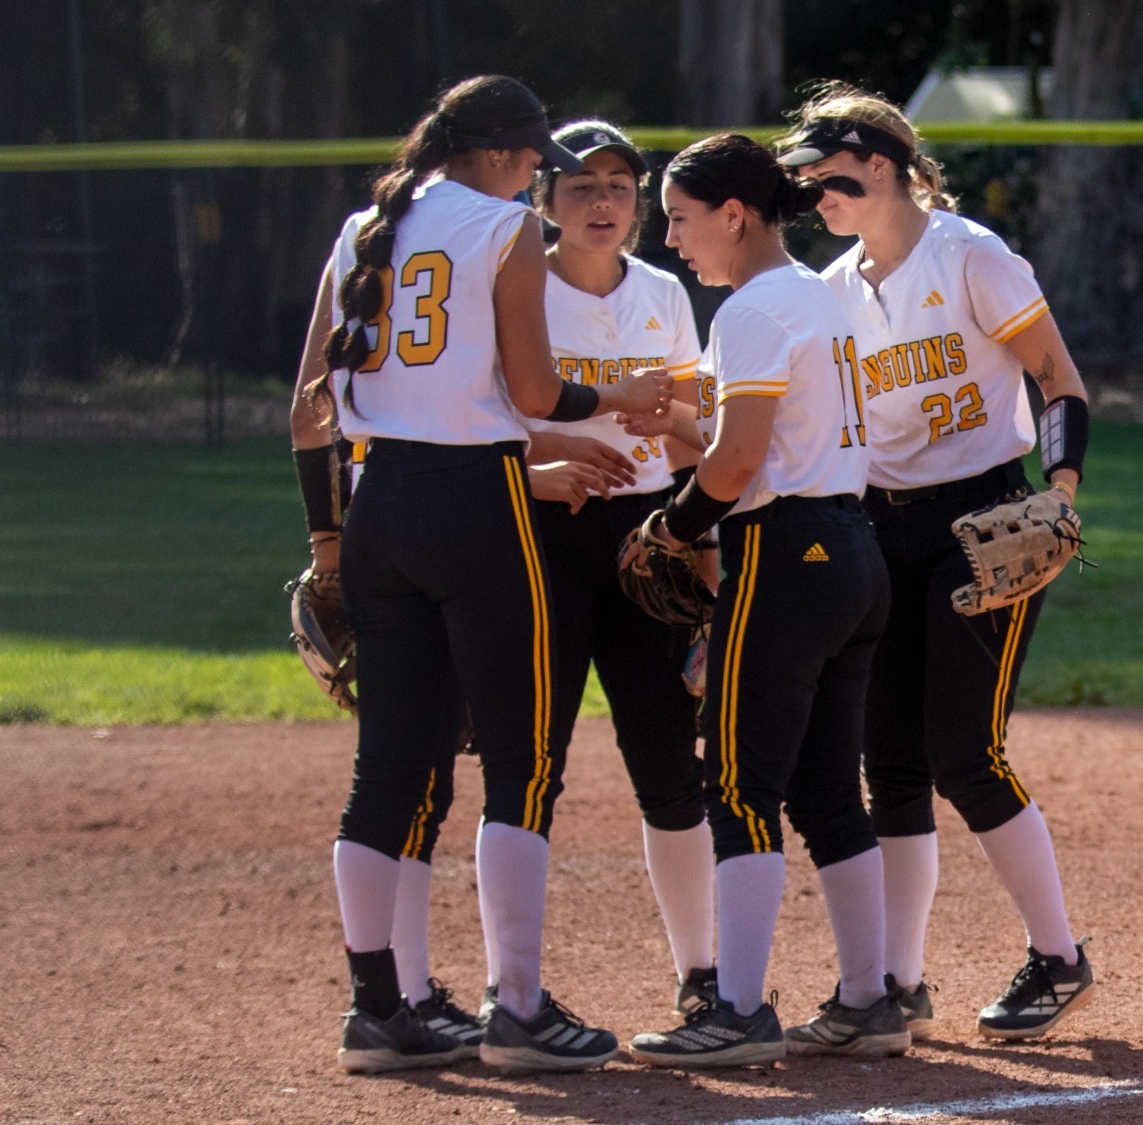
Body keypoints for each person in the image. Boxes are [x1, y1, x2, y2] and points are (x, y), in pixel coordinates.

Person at [296, 74, 671, 1075]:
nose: (532, 185)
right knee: (521, 766)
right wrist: (618, 394)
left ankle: (380, 1009)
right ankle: (519, 1009)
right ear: (505, 158)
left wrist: (326, 545)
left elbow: (308, 412)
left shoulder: (363, 229)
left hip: (377, 508)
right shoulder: (500, 229)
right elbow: (537, 388)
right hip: (479, 508)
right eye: (533, 166)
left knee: (389, 769)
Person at [777, 82, 1096, 1041]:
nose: (814, 196)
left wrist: (1061, 492)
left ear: (880, 164)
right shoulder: (832, 290)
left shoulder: (970, 257)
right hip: (880, 526)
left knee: (965, 748)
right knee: (892, 761)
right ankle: (895, 982)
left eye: (827, 175)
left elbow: (1057, 378)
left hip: (984, 516)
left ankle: (1059, 955)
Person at [619, 134, 904, 1069]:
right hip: (852, 550)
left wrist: (670, 522)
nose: (669, 238)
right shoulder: (816, 296)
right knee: (829, 790)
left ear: (734, 214)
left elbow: (738, 467)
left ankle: (736, 1008)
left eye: (681, 215)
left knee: (739, 786)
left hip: (784, 557)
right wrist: (684, 427)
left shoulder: (751, 307)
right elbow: (768, 442)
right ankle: (870, 998)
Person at [520, 120, 720, 1017]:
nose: (601, 202)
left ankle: (702, 972)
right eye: (579, 187)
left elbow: (690, 434)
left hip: (645, 542)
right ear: (547, 203)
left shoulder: (664, 293)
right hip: (545, 532)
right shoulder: (519, 291)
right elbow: (474, 416)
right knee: (533, 763)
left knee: (670, 764)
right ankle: (515, 989)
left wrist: (699, 541)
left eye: (618, 186)